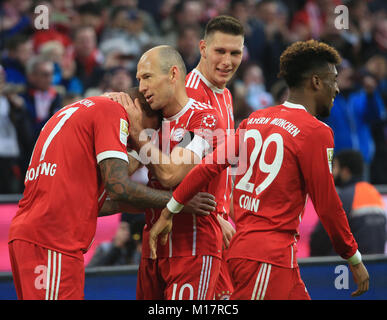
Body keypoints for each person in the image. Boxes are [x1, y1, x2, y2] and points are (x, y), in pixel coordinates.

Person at [149, 40, 370, 299]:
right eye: (333, 80)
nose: (337, 89)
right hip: (266, 257)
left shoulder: (255, 119)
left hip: (266, 255)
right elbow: (328, 204)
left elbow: (208, 166)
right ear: (316, 82)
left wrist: (170, 210)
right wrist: (352, 257)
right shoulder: (316, 132)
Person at [7, 86, 215, 300]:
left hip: (31, 237)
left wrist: (164, 203)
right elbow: (119, 188)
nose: (142, 140)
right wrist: (178, 202)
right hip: (52, 243)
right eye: (149, 131)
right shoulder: (112, 112)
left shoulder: (82, 110)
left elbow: (103, 203)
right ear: (137, 111)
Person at [109, 45, 226, 300]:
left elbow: (171, 174)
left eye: (147, 77)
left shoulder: (203, 119)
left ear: (173, 74)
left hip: (192, 248)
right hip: (152, 250)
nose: (141, 87)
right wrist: (111, 115)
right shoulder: (152, 123)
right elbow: (118, 176)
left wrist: (139, 135)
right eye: (139, 80)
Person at [184, 15, 244, 300]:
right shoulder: (188, 94)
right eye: (220, 51)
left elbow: (227, 162)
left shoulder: (226, 94)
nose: (228, 61)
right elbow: (174, 167)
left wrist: (230, 214)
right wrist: (213, 218)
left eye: (235, 53)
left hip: (219, 227)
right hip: (196, 229)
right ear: (203, 48)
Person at [310, 149, 386, 256]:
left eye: (335, 167)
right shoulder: (375, 194)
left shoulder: (343, 197)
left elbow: (320, 239)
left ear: (345, 171)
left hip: (346, 266)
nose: (332, 172)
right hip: (375, 265)